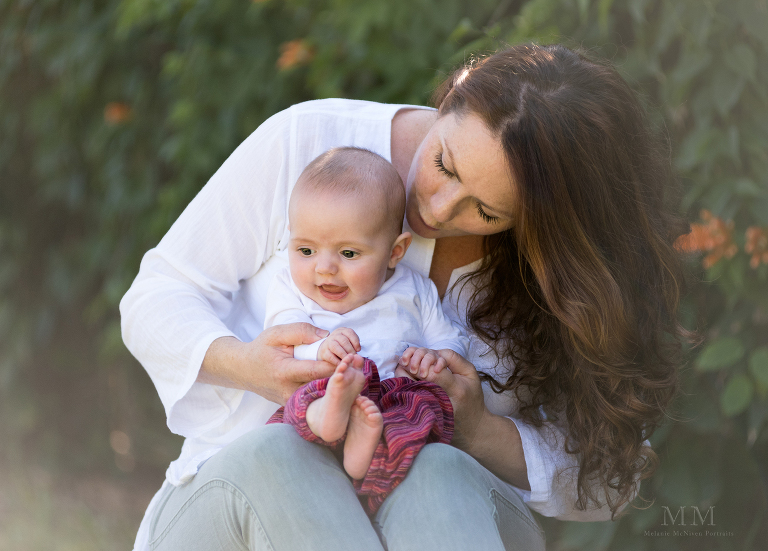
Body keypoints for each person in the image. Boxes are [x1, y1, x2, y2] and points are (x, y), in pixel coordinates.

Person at [121, 43, 688, 551]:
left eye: (486, 212)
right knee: (281, 457)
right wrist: (246, 365)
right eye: (445, 162)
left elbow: (608, 473)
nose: (438, 210)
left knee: (438, 468)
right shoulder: (309, 143)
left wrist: (479, 432)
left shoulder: (555, 283)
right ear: (452, 97)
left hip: (447, 523)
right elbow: (156, 297)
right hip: (235, 508)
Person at [263, 146, 469, 513]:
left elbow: (449, 341)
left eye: (349, 254)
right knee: (305, 398)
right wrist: (321, 349)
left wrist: (434, 359)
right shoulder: (290, 288)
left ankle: (364, 455)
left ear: (395, 252)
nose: (324, 269)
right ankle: (333, 418)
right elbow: (282, 343)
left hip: (394, 395)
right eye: (306, 250)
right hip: (330, 385)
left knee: (426, 406)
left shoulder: (413, 289)